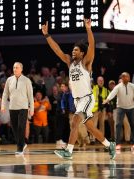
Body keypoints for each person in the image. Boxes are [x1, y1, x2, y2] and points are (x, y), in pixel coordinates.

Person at [41, 18, 116, 160]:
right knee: (90, 128)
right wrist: (47, 35)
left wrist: (88, 29)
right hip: (77, 100)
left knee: (75, 121)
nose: (73, 52)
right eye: (73, 50)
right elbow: (57, 49)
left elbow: (92, 46)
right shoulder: (70, 62)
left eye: (76, 50)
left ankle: (68, 151)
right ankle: (109, 144)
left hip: (86, 98)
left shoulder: (86, 62)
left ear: (82, 53)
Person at [103, 72, 134, 151]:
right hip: (120, 108)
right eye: (123, 77)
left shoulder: (132, 86)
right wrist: (107, 99)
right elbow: (112, 93)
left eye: (126, 77)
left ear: (129, 78)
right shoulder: (118, 86)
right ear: (121, 78)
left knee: (133, 125)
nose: (125, 78)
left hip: (131, 108)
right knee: (118, 125)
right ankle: (118, 143)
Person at [1, 62, 34, 155]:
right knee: (14, 128)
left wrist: (32, 109)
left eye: (17, 67)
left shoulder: (27, 80)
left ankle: (20, 148)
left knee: (21, 127)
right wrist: (3, 105)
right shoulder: (9, 80)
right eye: (14, 67)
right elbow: (5, 93)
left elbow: (30, 95)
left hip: (23, 108)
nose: (15, 69)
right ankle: (22, 143)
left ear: (21, 69)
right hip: (12, 107)